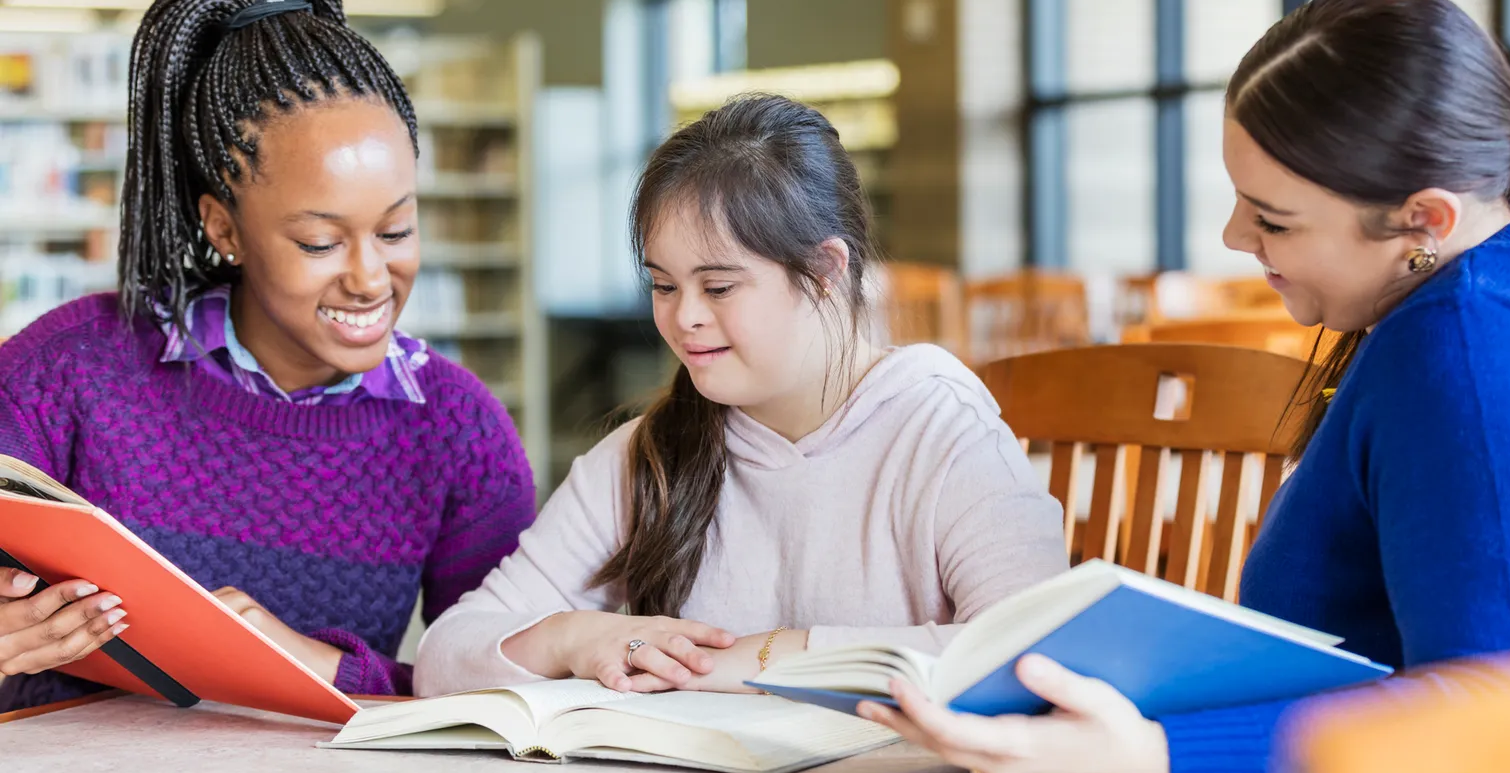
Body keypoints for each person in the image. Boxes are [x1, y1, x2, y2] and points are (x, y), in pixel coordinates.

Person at [859, 0, 1510, 773]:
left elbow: (1502, 717)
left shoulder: (1470, 345)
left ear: (1423, 219)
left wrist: (1155, 763)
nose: (1234, 239)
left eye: (1274, 220)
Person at [0, 0, 535, 709]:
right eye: (320, 243)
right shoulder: (65, 372)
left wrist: (318, 665)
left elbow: (501, 697)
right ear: (223, 227)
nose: (370, 278)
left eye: (397, 230)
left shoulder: (458, 431)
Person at [415, 94, 1067, 697]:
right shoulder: (651, 452)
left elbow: (1035, 652)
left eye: (719, 287)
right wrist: (577, 636)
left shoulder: (942, 430)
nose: (683, 318)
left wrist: (758, 659)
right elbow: (445, 654)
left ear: (824, 272)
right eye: (664, 286)